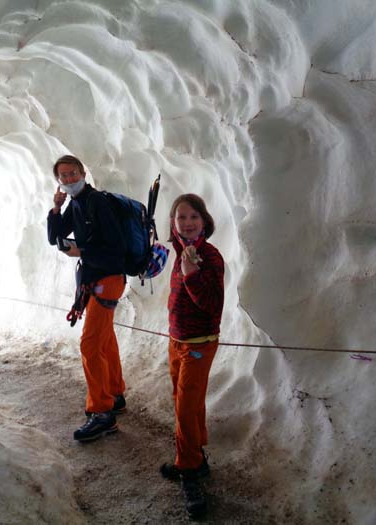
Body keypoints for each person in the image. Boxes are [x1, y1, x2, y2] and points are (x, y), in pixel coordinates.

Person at [47, 154, 128, 442]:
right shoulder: (75, 203)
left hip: (108, 278)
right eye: (63, 176)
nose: (68, 179)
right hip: (95, 279)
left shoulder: (98, 202)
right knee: (104, 338)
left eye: (72, 173)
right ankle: (115, 393)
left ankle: (102, 412)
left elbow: (116, 248)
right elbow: (54, 237)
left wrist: (82, 252)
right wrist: (56, 209)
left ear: (83, 172)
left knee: (90, 343)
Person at [160, 194, 225, 519]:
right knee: (185, 400)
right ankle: (196, 456)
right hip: (177, 340)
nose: (187, 222)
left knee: (186, 406)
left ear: (205, 221)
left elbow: (212, 304)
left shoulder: (209, 257)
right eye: (181, 217)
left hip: (200, 343)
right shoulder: (179, 252)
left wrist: (190, 274)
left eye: (193, 217)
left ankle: (188, 470)